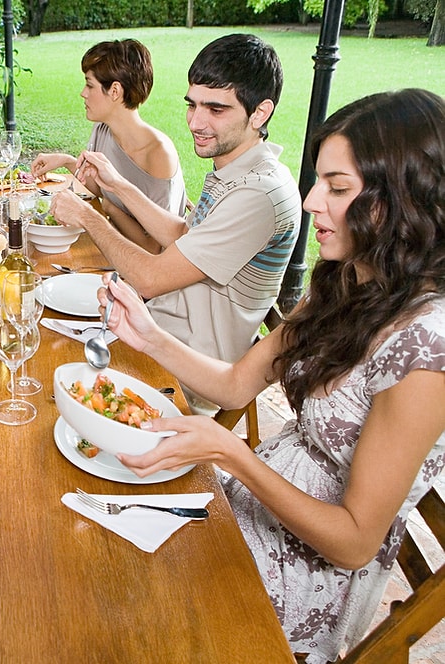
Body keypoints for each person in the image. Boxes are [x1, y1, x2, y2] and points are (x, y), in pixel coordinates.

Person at [96, 88, 445, 663]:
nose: (310, 201)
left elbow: (355, 542)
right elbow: (237, 384)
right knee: (99, 541)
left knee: (121, 597)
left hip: (306, 572)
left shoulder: (425, 349)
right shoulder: (348, 278)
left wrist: (230, 454)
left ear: (402, 201)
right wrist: (148, 336)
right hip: (253, 501)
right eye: (318, 182)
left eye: (337, 188)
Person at [52, 34, 300, 379]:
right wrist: (117, 183)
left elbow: (150, 279)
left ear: (260, 112)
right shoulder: (238, 171)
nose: (195, 123)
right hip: (157, 325)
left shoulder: (258, 194)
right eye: (192, 105)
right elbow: (183, 234)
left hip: (188, 365)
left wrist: (87, 215)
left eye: (215, 109)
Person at [30, 39, 187, 254]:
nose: (83, 93)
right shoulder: (103, 129)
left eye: (89, 85)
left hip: (148, 265)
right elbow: (101, 187)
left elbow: (154, 247)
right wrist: (66, 161)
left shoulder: (159, 154)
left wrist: (109, 208)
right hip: (116, 246)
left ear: (115, 91)